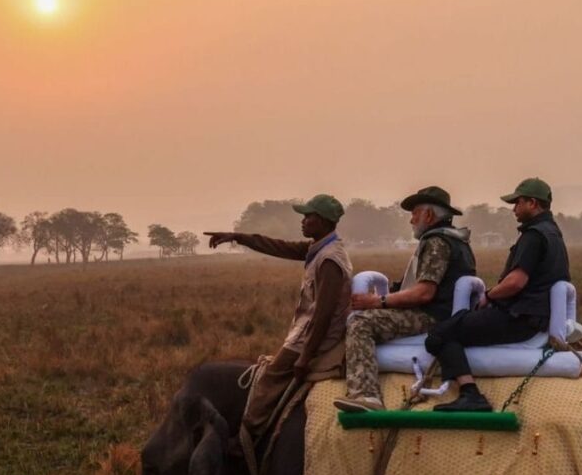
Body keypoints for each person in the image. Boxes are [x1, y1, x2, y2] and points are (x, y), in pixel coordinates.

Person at [204, 194, 352, 441]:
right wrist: (238, 237)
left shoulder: (329, 260)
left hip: (313, 337)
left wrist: (305, 356)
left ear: (324, 221)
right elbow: (277, 246)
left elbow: (322, 315)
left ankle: (250, 438)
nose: (303, 221)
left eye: (308, 217)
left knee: (269, 380)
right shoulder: (319, 249)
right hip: (307, 332)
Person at [424, 177, 570, 411]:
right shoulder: (553, 233)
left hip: (518, 317)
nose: (514, 209)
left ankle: (470, 394)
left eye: (518, 202)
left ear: (532, 203)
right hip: (535, 317)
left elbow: (516, 281)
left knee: (440, 333)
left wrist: (490, 296)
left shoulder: (533, 235)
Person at [334, 186, 476, 413]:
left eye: (415, 213)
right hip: (447, 313)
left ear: (429, 215)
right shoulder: (458, 240)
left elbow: (424, 293)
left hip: (432, 315)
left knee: (360, 322)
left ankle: (366, 395)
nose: (411, 220)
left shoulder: (437, 243)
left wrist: (377, 301)